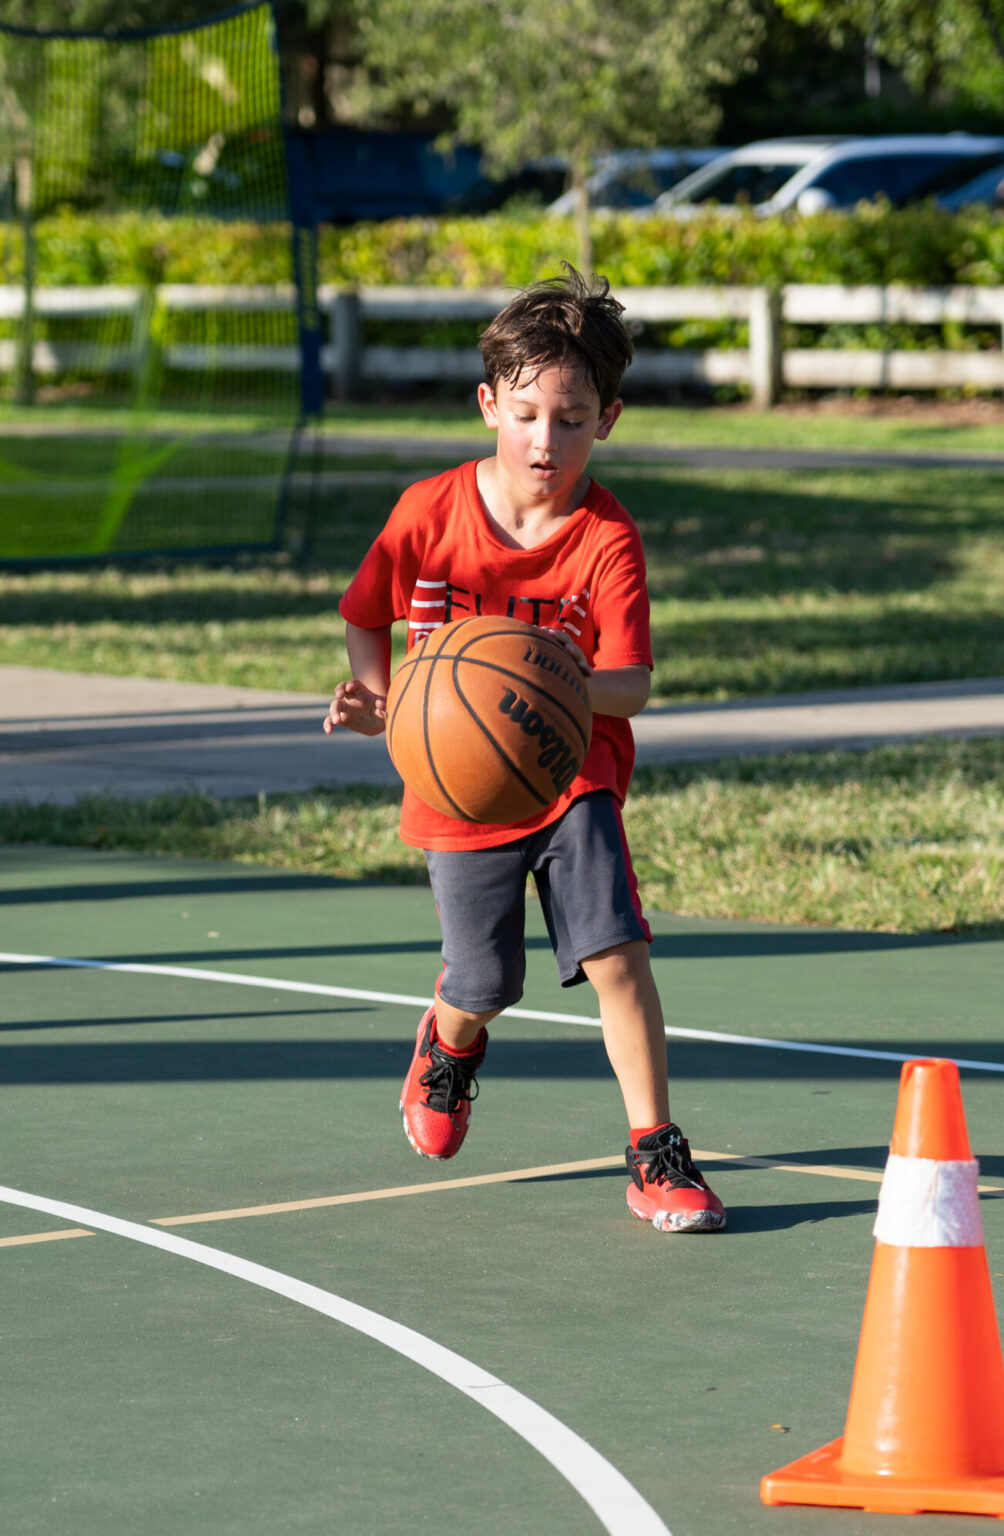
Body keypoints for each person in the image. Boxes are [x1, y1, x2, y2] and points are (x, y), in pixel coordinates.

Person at [323, 266, 724, 1233]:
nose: (548, 440)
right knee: (484, 982)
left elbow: (632, 681)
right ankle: (450, 1044)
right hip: (459, 778)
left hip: (570, 768)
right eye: (529, 413)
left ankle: (656, 1150)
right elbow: (364, 612)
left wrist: (552, 682)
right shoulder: (429, 511)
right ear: (489, 403)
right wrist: (382, 703)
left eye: (574, 418)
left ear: (609, 419)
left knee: (617, 954)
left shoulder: (605, 538)